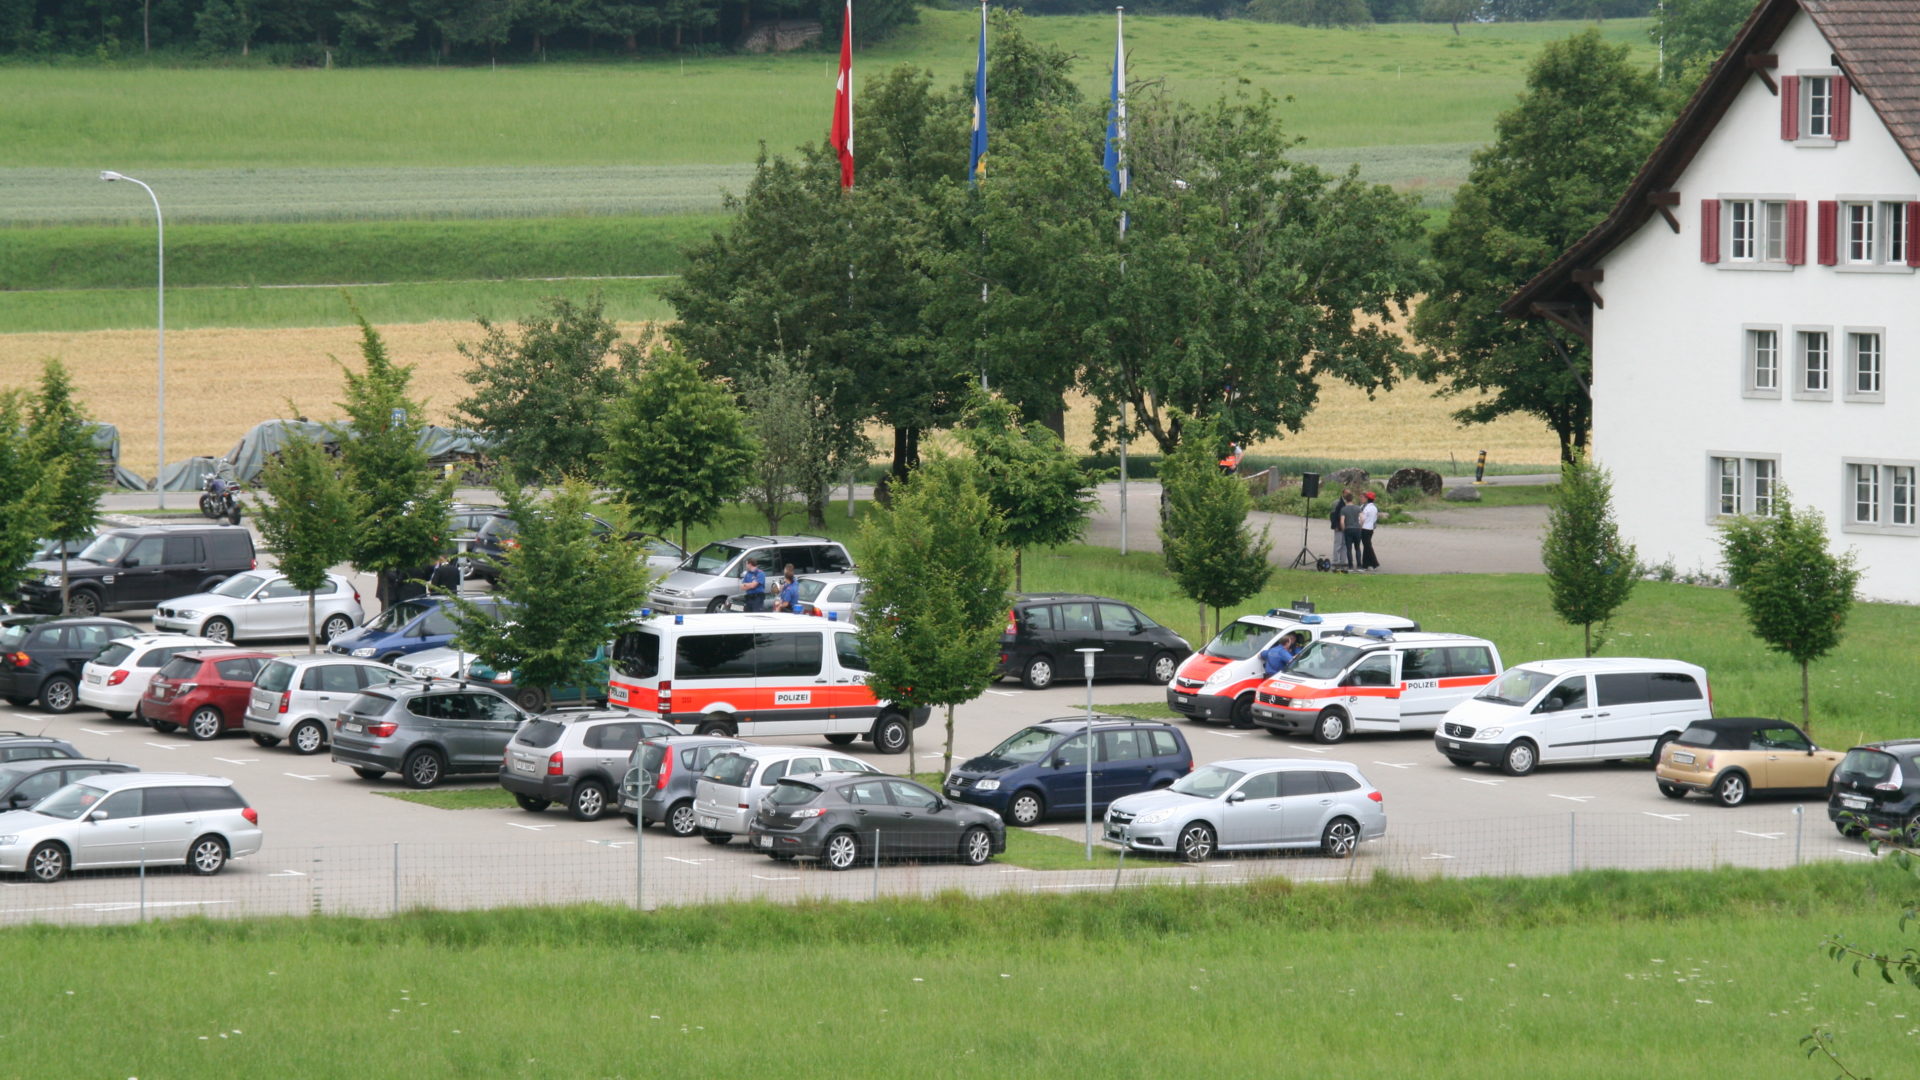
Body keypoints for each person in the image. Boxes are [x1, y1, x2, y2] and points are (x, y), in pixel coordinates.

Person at [1339, 491, 1366, 571]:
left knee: (1349, 549)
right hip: (1357, 529)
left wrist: (1344, 529)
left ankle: (1350, 566)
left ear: (1346, 500)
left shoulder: (1343, 509)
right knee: (1357, 548)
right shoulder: (1358, 508)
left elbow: (1342, 521)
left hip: (1348, 529)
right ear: (1352, 499)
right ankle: (1359, 566)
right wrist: (1360, 526)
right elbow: (1363, 518)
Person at [1329, 490, 1351, 569]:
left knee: (1345, 545)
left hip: (1347, 527)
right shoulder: (1336, 502)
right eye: (1347, 493)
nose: (1348, 494)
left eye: (1349, 493)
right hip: (1338, 526)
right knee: (1338, 544)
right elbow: (1332, 515)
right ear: (1343, 493)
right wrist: (1335, 526)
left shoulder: (1350, 503)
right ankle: (1336, 561)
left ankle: (1343, 561)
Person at [1359, 492, 1381, 571]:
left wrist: (1359, 526)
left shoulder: (1366, 507)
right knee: (1367, 545)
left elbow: (1362, 518)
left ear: (1367, 498)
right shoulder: (1375, 508)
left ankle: (1374, 562)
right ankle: (1365, 563)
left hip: (1364, 528)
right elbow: (1375, 518)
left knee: (1368, 546)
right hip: (1371, 528)